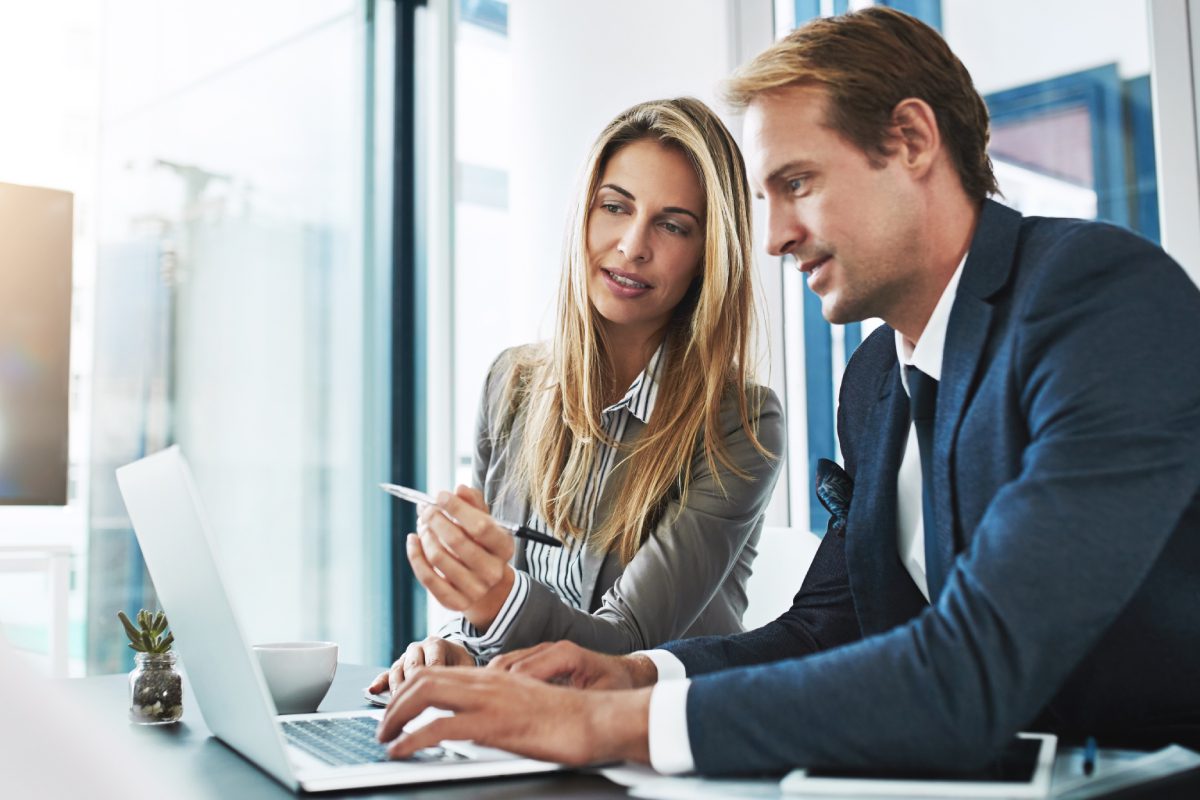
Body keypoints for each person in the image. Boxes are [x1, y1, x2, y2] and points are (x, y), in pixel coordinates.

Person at [373, 6, 1200, 775]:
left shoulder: (1098, 300)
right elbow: (821, 630)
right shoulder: (874, 383)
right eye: (765, 198)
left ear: (913, 141)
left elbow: (977, 665)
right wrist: (631, 676)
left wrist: (614, 726)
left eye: (797, 184)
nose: (771, 239)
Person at [370, 97, 784, 694]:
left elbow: (624, 647)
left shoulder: (741, 423)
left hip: (644, 732)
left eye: (672, 225)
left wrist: (492, 600)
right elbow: (495, 619)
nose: (632, 246)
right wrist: (457, 645)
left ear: (707, 256)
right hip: (520, 720)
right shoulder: (511, 383)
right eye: (615, 207)